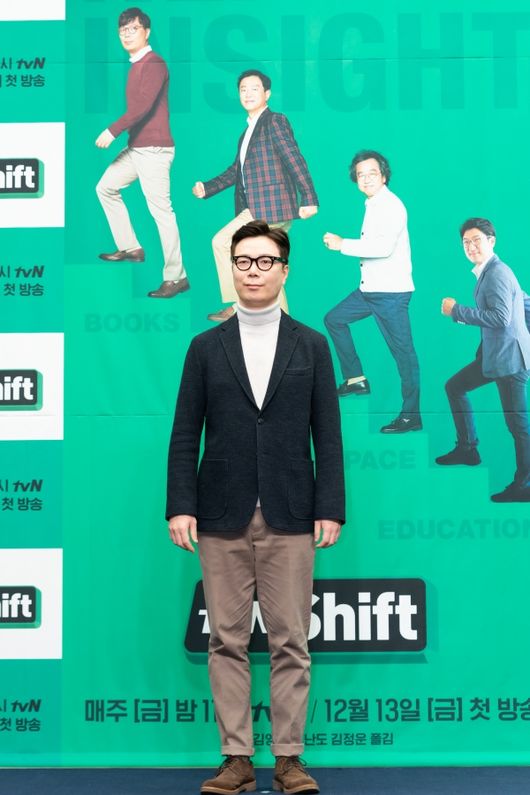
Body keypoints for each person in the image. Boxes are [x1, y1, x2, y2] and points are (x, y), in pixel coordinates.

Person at [166, 220, 345, 794]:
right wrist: (180, 505)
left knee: (292, 638)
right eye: (243, 261)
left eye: (265, 261)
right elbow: (184, 432)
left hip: (293, 510)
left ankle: (289, 759)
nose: (253, 271)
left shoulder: (311, 345)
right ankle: (237, 759)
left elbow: (328, 435)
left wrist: (330, 506)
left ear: (284, 270)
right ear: (232, 268)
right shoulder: (205, 347)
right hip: (220, 511)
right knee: (226, 639)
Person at [192, 69, 318, 323]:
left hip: (271, 208)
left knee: (223, 242)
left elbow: (294, 158)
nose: (248, 94)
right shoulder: (246, 133)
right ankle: (286, 331)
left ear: (267, 94)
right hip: (257, 208)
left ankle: (240, 304)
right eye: (243, 90)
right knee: (266, 267)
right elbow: (235, 171)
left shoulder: (274, 121)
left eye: (254, 89)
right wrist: (208, 188)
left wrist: (309, 198)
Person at [323, 150, 422, 434]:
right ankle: (356, 379)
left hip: (391, 294)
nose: (366, 179)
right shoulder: (373, 203)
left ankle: (411, 416)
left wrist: (342, 244)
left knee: (404, 355)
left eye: (372, 174)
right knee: (334, 319)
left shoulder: (391, 206)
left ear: (384, 175)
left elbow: (383, 248)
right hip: (370, 290)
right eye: (360, 175)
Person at [95, 7, 189, 298]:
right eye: (122, 30)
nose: (127, 34)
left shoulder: (154, 63)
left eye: (133, 29)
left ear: (147, 32)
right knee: (105, 187)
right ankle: (131, 247)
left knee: (162, 213)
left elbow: (143, 107)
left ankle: (176, 277)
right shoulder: (136, 65)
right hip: (137, 148)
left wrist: (112, 130)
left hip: (154, 150)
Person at [437, 218, 530, 502]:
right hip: (496, 356)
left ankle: (524, 486)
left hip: (509, 362)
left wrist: (456, 311)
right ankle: (468, 449)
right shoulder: (491, 271)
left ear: (491, 241)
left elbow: (500, 318)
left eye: (476, 240)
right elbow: (524, 302)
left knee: (518, 426)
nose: (471, 246)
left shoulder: (497, 273)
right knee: (455, 387)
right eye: (466, 242)